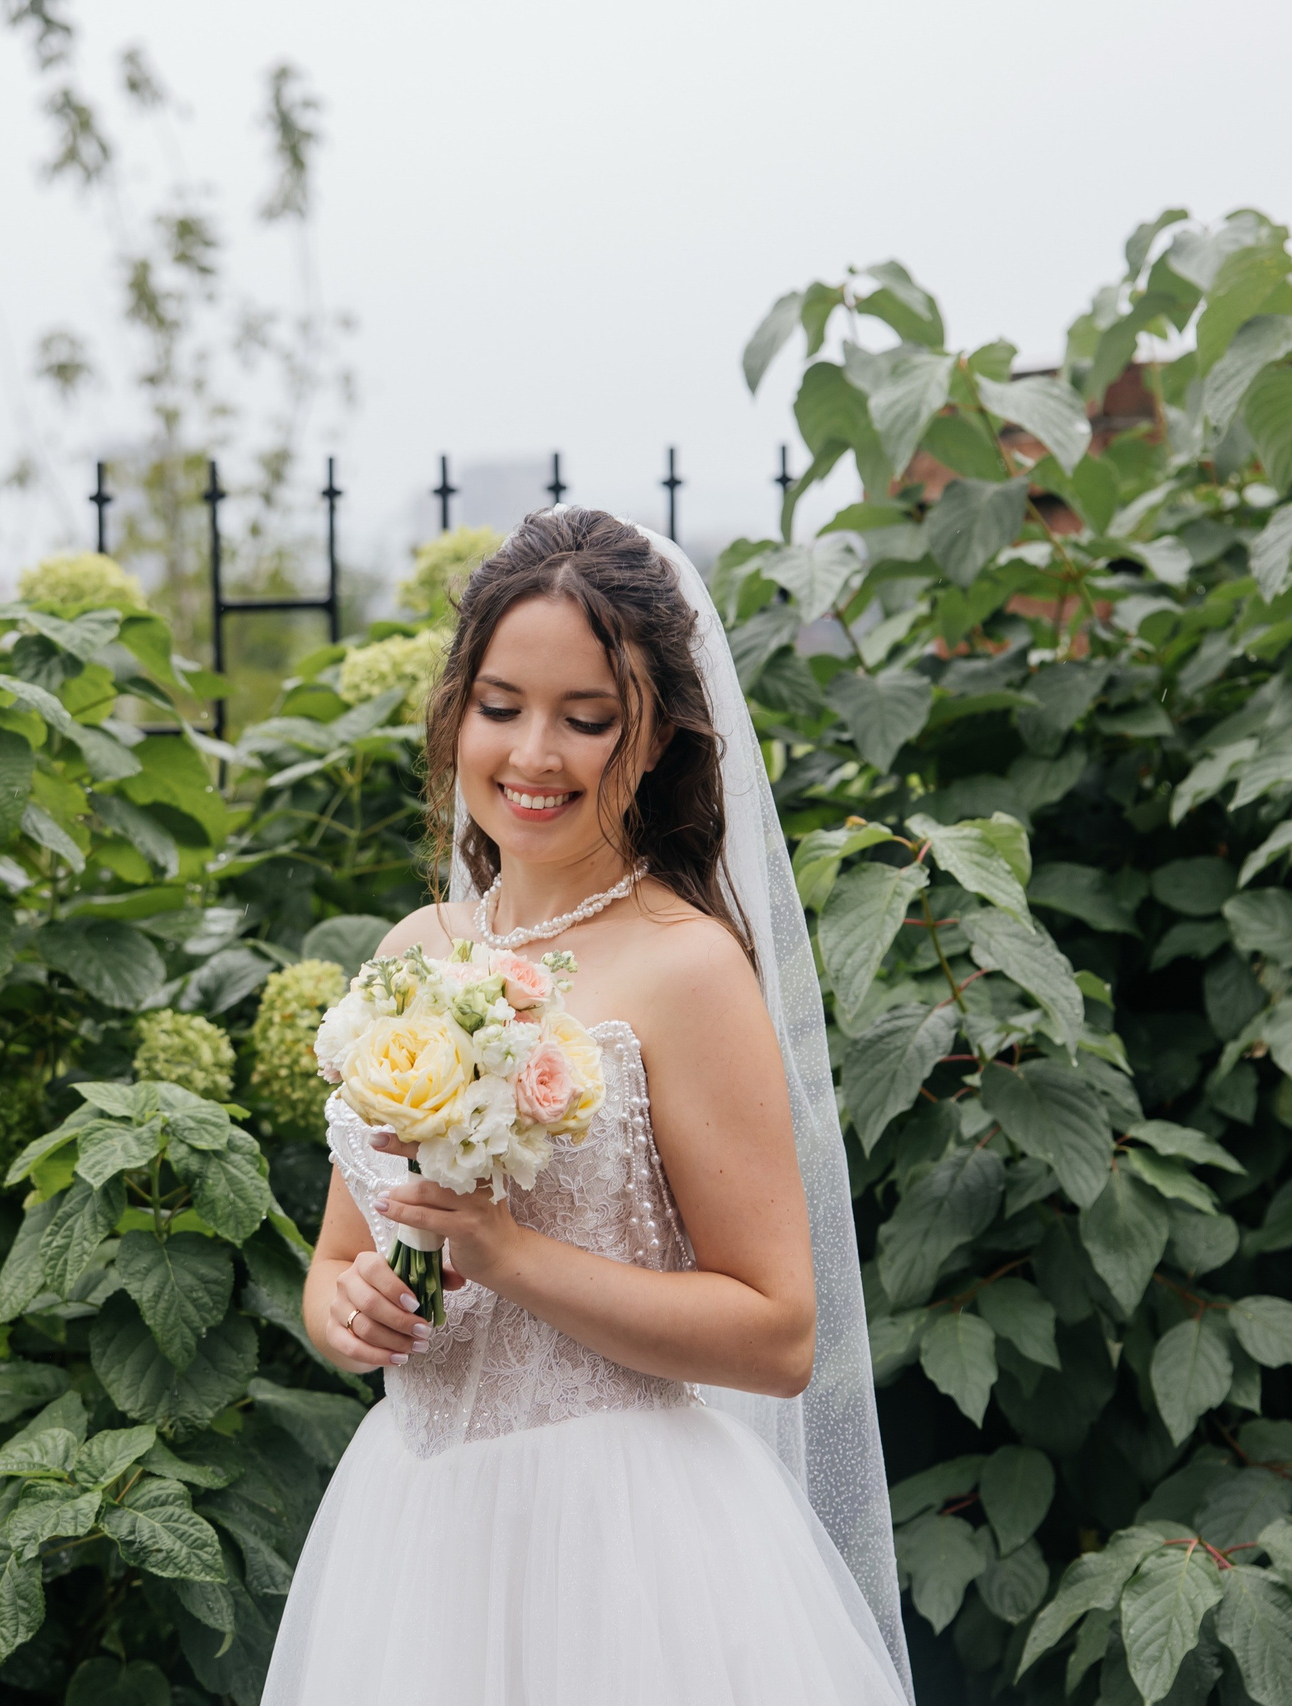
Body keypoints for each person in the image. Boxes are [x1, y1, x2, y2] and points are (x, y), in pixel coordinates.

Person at [265, 508, 914, 1705]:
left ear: (658, 731)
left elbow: (776, 1334)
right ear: (457, 708)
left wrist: (511, 1256)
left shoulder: (687, 965)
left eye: (588, 717)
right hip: (416, 1538)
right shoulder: (414, 950)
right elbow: (341, 1258)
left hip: (624, 1546)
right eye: (502, 705)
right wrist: (344, 1311)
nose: (534, 754)